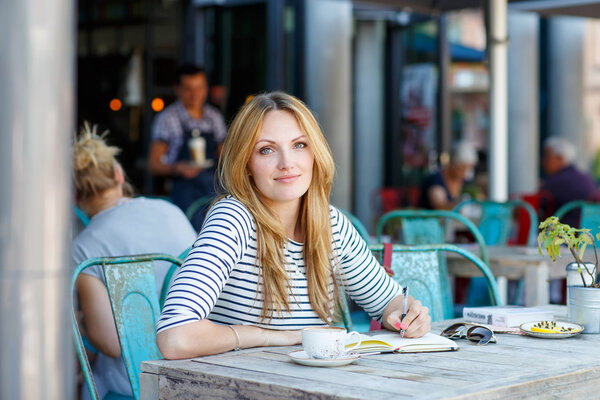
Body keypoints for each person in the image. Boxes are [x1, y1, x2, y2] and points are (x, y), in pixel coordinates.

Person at [156, 92, 431, 359]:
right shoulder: (234, 219)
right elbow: (175, 337)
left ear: (315, 153)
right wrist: (268, 336)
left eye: (299, 145)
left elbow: (389, 303)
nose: (287, 163)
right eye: (266, 150)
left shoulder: (331, 224)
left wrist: (407, 314)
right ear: (247, 164)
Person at [72, 123, 197, 399]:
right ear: (118, 174)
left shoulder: (84, 246)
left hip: (136, 382)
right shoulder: (169, 209)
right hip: (196, 367)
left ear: (75, 196)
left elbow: (110, 343)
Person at [148, 64, 228, 229]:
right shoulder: (167, 119)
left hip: (213, 188)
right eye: (188, 89)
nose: (195, 94)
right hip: (182, 191)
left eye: (200, 88)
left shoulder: (214, 117)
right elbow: (153, 164)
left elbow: (225, 155)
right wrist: (178, 168)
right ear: (177, 89)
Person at [541, 136, 598, 227]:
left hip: (565, 235)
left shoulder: (557, 181)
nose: (543, 161)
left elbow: (535, 207)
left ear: (559, 158)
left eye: (547, 157)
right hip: (588, 234)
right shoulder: (585, 177)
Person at [419, 141, 478, 210]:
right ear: (453, 163)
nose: (465, 173)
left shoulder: (466, 182)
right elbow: (439, 205)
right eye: (462, 168)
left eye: (469, 168)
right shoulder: (435, 179)